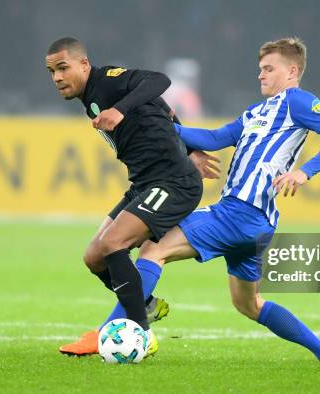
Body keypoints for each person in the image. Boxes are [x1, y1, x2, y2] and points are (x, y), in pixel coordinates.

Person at [61, 37, 320, 363]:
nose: (261, 75)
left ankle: (111, 329)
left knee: (153, 249)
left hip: (240, 212)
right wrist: (161, 126)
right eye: (260, 69)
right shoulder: (256, 112)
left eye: (269, 69)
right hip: (253, 226)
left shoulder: (298, 102)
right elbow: (215, 138)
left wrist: (305, 172)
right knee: (249, 305)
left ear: (293, 70)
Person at [45, 37, 216, 358]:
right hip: (144, 183)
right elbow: (161, 108)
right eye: (52, 71)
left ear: (84, 64)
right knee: (94, 257)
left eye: (63, 68)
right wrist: (190, 148)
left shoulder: (108, 81)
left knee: (113, 244)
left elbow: (160, 82)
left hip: (173, 182)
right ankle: (145, 304)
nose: (56, 78)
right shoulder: (90, 98)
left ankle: (141, 331)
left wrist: (118, 110)